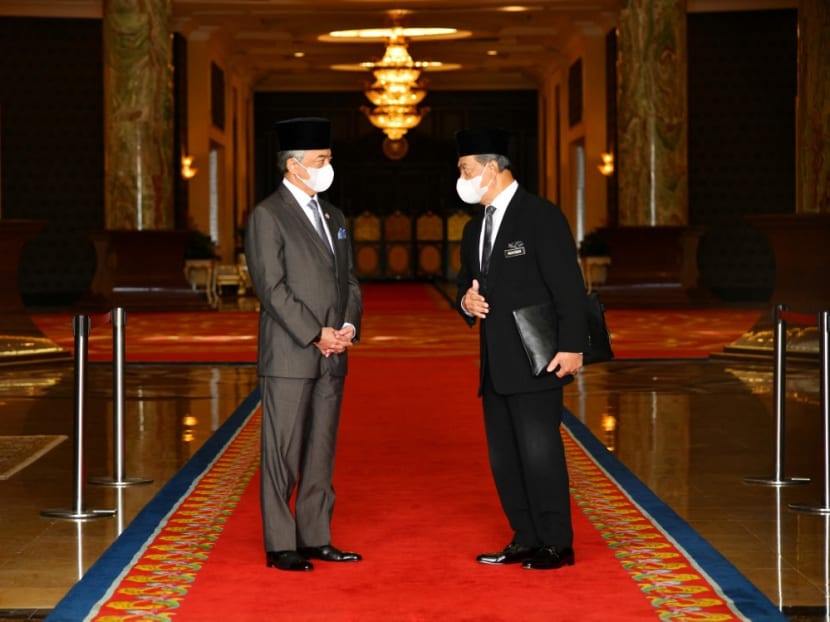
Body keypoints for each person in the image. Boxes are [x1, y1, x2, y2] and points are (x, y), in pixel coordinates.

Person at [453, 127, 588, 570]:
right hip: (495, 363)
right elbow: (465, 283)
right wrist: (465, 301)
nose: (462, 177)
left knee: (540, 453)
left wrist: (572, 346)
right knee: (505, 458)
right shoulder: (475, 229)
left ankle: (556, 542)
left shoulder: (541, 217)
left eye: (466, 169)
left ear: (492, 169)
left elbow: (569, 287)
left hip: (539, 358)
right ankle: (525, 536)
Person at [245, 117, 363, 572]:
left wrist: (348, 327)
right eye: (320, 161)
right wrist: (316, 333)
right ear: (294, 166)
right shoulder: (268, 215)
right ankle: (280, 544)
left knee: (320, 449)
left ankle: (315, 536)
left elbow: (348, 280)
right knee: (283, 451)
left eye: (328, 159)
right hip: (292, 353)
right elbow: (271, 288)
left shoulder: (333, 216)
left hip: (334, 353)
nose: (327, 168)